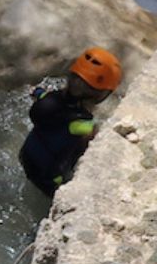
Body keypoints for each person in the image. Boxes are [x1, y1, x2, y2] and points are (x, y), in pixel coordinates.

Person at [20, 48, 121, 196]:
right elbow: (98, 144)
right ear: (101, 95)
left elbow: (38, 94)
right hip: (50, 179)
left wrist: (36, 91)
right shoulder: (83, 125)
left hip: (26, 158)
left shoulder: (49, 98)